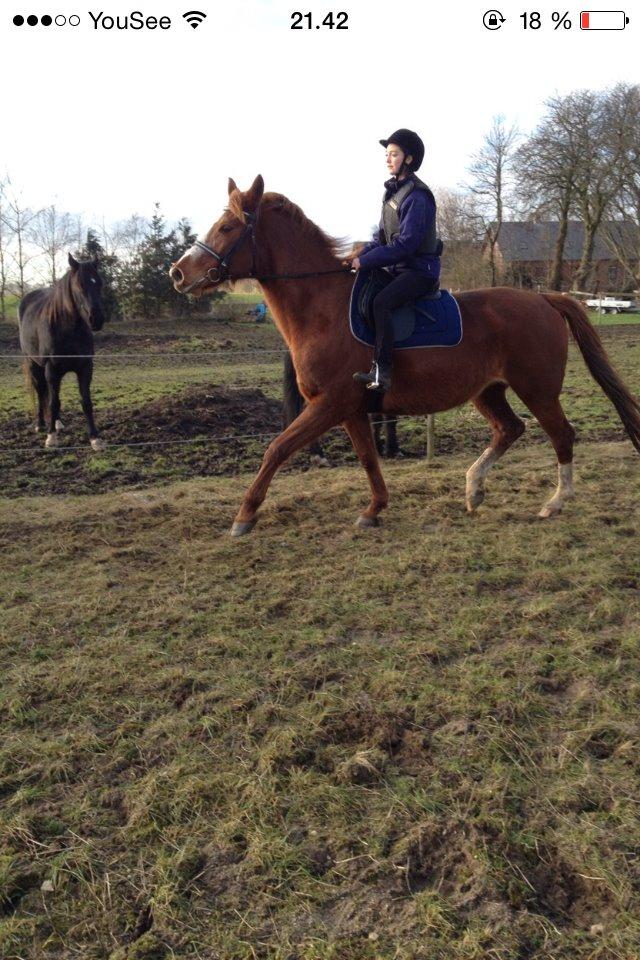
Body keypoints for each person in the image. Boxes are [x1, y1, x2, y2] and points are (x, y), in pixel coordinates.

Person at [349, 129, 441, 392]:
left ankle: (383, 371)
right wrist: (357, 257)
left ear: (408, 159)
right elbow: (381, 240)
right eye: (387, 154)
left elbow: (405, 245)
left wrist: (365, 262)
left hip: (420, 271)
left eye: (394, 154)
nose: (388, 159)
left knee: (382, 302)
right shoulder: (391, 195)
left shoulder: (418, 196)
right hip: (399, 269)